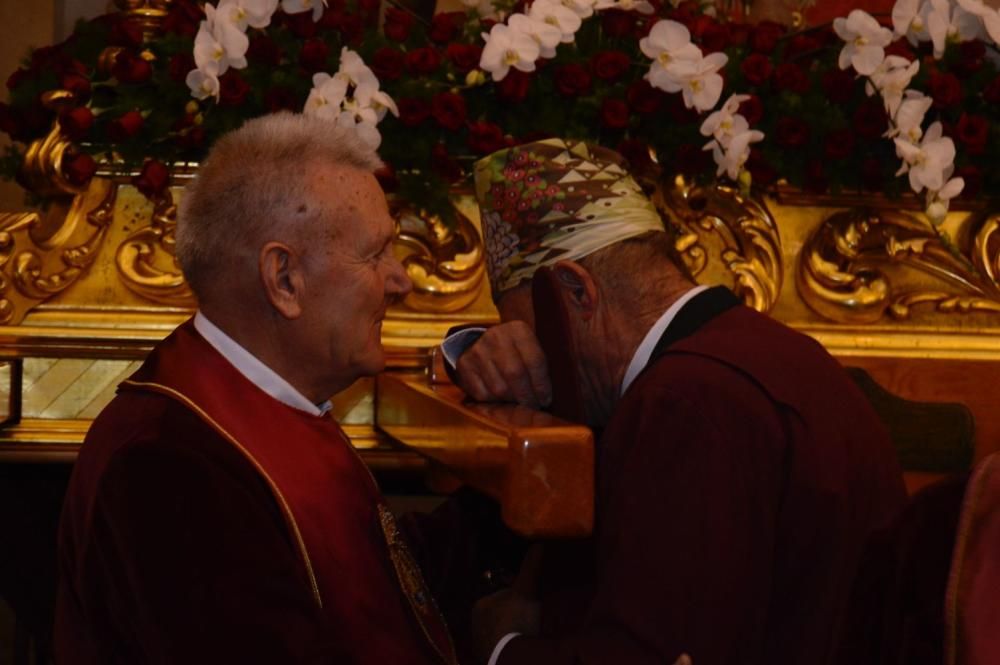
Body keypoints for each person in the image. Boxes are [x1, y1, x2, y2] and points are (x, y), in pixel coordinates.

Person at [443, 138, 908, 665]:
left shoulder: (684, 404)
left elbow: (650, 652)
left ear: (576, 293)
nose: (534, 361)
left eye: (525, 329)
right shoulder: (767, 353)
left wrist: (500, 647)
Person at [54, 113, 458, 665]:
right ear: (284, 279)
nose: (400, 280)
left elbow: (366, 581)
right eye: (375, 254)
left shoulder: (271, 403)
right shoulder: (167, 464)